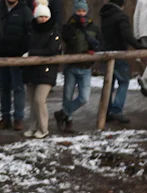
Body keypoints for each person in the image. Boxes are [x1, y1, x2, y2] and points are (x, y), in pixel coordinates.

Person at [55, 0, 98, 132]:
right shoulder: (68, 25)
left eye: (83, 11)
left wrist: (93, 49)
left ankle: (62, 113)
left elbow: (99, 42)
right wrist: (77, 27)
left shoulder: (93, 27)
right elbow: (66, 38)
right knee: (67, 95)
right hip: (72, 66)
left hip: (86, 67)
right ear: (74, 11)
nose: (81, 14)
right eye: (79, 11)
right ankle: (68, 122)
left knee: (84, 98)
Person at [100, 0, 141, 124]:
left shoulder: (104, 15)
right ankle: (116, 110)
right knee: (123, 81)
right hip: (119, 53)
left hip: (105, 53)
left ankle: (106, 112)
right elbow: (126, 34)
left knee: (109, 83)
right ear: (121, 5)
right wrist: (138, 46)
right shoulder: (121, 17)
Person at [23, 3, 58, 139]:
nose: (43, 19)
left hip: (47, 70)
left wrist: (31, 53)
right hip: (31, 70)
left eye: (45, 16)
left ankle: (43, 128)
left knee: (39, 99)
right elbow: (24, 45)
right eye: (40, 16)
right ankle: (33, 127)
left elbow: (52, 50)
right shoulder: (31, 30)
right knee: (32, 101)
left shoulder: (53, 31)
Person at [0, 0, 31, 131]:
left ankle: (18, 118)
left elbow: (30, 31)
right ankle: (5, 117)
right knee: (3, 87)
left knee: (18, 88)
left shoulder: (24, 10)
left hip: (18, 56)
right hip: (1, 54)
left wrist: (24, 50)